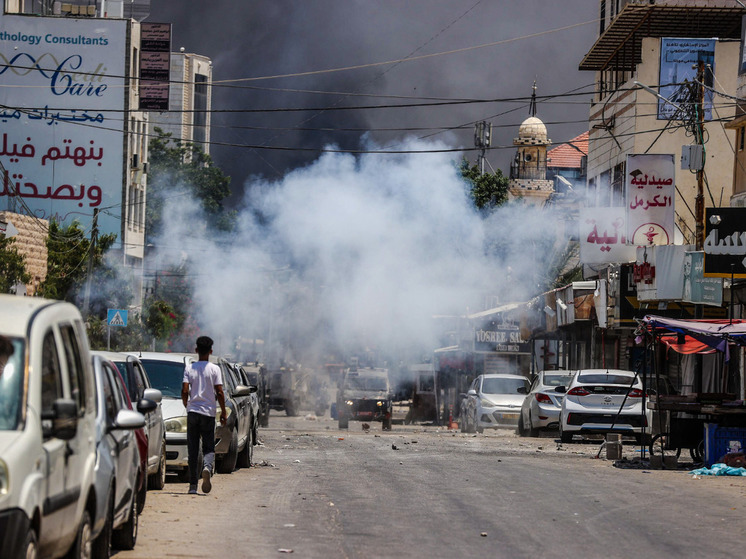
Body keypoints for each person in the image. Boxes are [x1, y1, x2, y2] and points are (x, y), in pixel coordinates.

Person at [182, 336, 227, 494]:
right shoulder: (215, 369)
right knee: (208, 447)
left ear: (196, 350)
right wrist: (223, 412)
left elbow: (185, 390)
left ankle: (193, 486)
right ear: (211, 351)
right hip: (208, 413)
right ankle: (207, 467)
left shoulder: (189, 368)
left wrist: (186, 404)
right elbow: (219, 392)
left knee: (193, 450)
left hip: (193, 412)